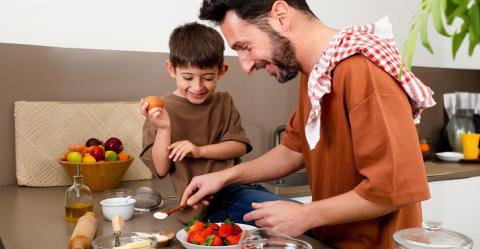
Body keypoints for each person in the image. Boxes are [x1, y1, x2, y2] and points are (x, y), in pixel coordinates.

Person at [180, 1, 436, 248]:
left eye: (246, 46)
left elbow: (397, 188)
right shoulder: (316, 74)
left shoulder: (361, 70)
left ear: (281, 16)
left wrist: (306, 215)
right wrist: (225, 177)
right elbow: (294, 149)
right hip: (331, 240)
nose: (246, 66)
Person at [139, 22, 288, 224]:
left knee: (290, 210)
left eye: (208, 78)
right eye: (188, 77)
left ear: (222, 71)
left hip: (237, 187)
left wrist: (198, 151)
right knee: (287, 215)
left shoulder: (223, 102)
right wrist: (165, 128)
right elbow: (161, 169)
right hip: (206, 206)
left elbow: (238, 147)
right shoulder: (160, 112)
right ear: (171, 69)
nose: (197, 86)